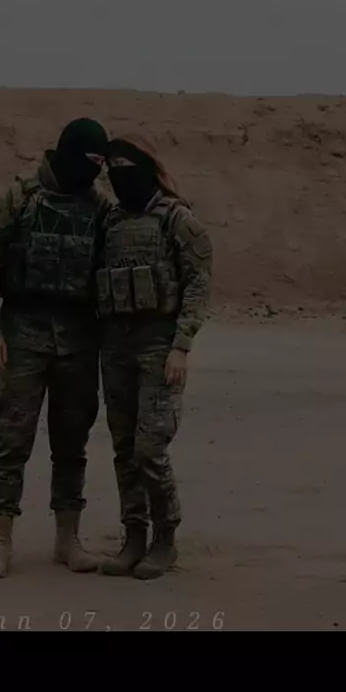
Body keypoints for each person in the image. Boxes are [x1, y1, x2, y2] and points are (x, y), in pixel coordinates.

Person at [0, 118, 111, 578]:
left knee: (72, 442)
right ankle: (0, 540)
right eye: (90, 161)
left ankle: (68, 539)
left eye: (101, 164)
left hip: (79, 336)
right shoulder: (19, 198)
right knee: (13, 438)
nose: (94, 171)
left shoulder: (98, 207)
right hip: (23, 333)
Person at [97, 135, 213, 580]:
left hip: (159, 347)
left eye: (125, 167)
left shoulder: (176, 219)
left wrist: (181, 345)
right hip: (116, 347)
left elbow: (198, 284)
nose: (118, 176)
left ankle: (165, 538)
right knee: (124, 449)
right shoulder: (111, 221)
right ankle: (134, 537)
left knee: (150, 448)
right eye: (111, 169)